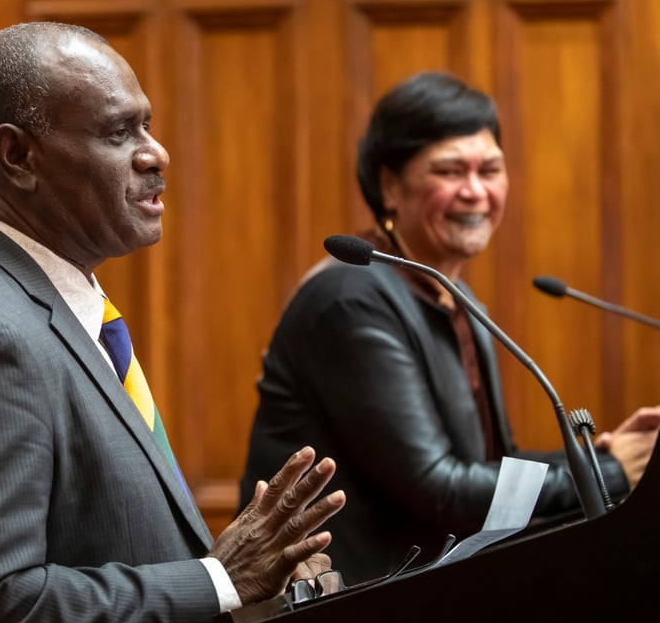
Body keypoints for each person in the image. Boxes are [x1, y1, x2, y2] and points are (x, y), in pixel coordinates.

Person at [0, 22, 346, 623]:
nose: (156, 153)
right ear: (19, 157)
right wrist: (217, 580)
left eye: (145, 125)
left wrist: (254, 591)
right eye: (119, 132)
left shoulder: (53, 309)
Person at [237, 71, 660, 586]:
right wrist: (611, 474)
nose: (476, 191)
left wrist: (601, 455)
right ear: (390, 185)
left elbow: (490, 467)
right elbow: (439, 489)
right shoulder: (350, 299)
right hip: (345, 603)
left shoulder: (447, 295)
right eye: (451, 170)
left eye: (491, 169)